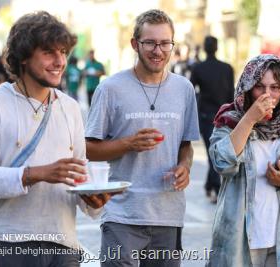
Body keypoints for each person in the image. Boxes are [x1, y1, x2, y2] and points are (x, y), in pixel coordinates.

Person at [0, 11, 114, 267]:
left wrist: (94, 200)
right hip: (8, 243)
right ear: (24, 57)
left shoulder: (70, 108)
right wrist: (37, 173)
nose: (60, 61)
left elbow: (79, 175)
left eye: (63, 52)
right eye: (48, 52)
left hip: (64, 245)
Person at [85, 9, 199, 267]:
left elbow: (186, 146)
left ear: (172, 45)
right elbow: (88, 149)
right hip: (122, 215)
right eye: (150, 42)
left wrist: (185, 166)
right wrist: (128, 144)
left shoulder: (184, 89)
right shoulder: (110, 88)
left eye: (165, 43)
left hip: (168, 216)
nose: (158, 50)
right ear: (135, 44)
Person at [206, 54, 280, 266]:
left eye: (275, 87)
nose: (267, 94)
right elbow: (222, 164)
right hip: (237, 244)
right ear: (247, 88)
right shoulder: (228, 124)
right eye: (259, 86)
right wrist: (250, 118)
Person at [190, 35, 234, 203]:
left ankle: (212, 186)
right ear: (216, 48)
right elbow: (231, 93)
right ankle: (213, 186)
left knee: (213, 152)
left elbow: (191, 91)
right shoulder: (227, 68)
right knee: (217, 152)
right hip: (224, 116)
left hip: (206, 116)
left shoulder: (198, 68)